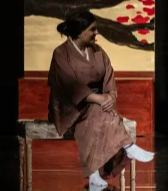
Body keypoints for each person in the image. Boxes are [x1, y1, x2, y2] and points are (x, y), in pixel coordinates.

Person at [47, 10, 155, 188]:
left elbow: (108, 77)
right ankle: (128, 147)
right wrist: (97, 98)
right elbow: (69, 85)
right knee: (98, 111)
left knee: (97, 112)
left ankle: (94, 176)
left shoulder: (98, 51)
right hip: (70, 107)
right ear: (79, 32)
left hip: (97, 106)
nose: (96, 33)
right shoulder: (61, 53)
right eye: (92, 29)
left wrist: (110, 96)